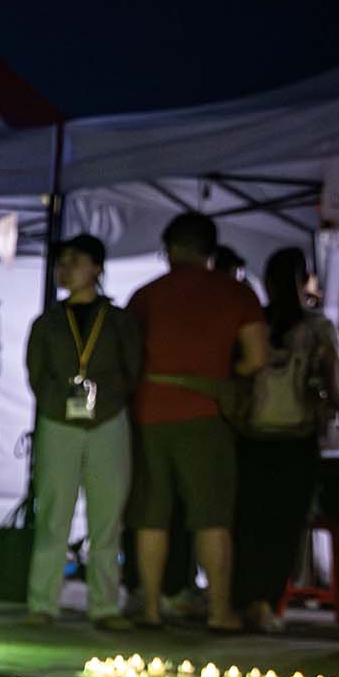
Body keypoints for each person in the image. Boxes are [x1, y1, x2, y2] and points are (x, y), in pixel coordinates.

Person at [126, 211, 268, 630]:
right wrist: (225, 375)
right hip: (207, 414)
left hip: (150, 411)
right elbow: (258, 357)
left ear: (170, 248)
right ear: (210, 249)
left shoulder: (146, 295)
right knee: (212, 517)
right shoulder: (237, 294)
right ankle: (221, 612)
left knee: (151, 516)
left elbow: (130, 356)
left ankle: (151, 609)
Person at [229, 248, 339, 631]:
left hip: (250, 437)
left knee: (247, 524)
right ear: (304, 280)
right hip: (296, 439)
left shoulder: (254, 323)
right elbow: (335, 389)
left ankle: (240, 601)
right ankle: (267, 605)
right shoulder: (318, 329)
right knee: (284, 528)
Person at [24, 235, 143, 628]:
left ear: (96, 267)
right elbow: (36, 372)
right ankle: (42, 603)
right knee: (53, 514)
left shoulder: (119, 319)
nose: (65, 268)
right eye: (62, 261)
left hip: (108, 419)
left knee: (107, 519)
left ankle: (106, 606)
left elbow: (132, 368)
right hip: (58, 421)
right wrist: (56, 402)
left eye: (74, 260)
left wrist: (108, 400)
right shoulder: (48, 321)